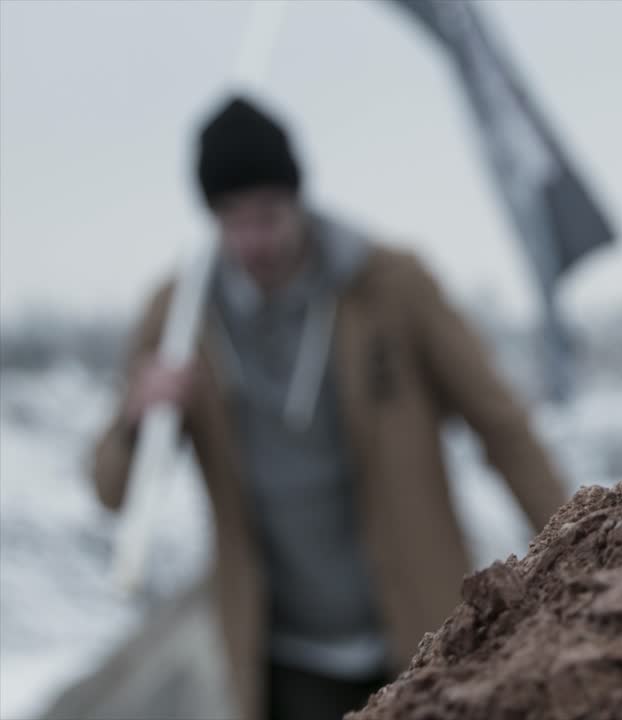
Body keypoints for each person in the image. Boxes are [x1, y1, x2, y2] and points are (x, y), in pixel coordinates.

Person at [91, 95, 569, 720]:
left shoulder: (391, 285)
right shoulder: (179, 318)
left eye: (267, 214)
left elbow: (502, 427)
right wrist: (138, 417)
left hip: (424, 633)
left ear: (297, 199)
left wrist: (574, 554)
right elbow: (112, 491)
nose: (253, 239)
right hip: (283, 664)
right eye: (232, 218)